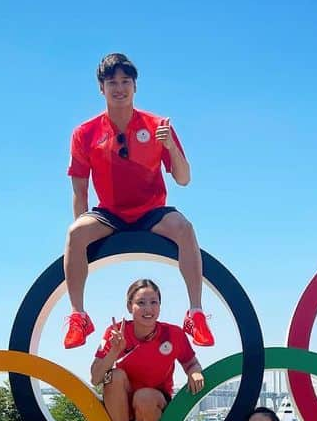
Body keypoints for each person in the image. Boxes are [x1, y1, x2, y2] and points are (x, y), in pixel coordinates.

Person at [62, 52, 215, 350]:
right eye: (112, 82)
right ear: (101, 88)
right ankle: (78, 317)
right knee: (74, 233)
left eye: (125, 81)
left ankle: (195, 314)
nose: (119, 88)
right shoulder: (84, 133)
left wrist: (169, 145)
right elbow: (79, 190)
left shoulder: (158, 125)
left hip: (152, 211)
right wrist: (82, 236)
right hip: (110, 213)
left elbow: (183, 179)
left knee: (184, 227)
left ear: (135, 86)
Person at [89, 279, 204, 421]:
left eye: (154, 302)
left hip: (154, 403)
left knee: (144, 396)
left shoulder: (173, 333)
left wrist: (195, 372)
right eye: (141, 303)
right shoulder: (116, 332)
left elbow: (191, 363)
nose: (148, 308)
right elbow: (96, 377)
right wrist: (114, 351)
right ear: (129, 306)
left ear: (160, 305)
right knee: (113, 375)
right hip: (123, 404)